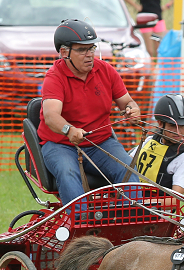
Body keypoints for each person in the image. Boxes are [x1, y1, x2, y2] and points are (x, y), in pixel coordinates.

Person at [39, 19, 141, 206]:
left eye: (92, 48)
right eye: (82, 50)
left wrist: (132, 109)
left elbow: (127, 101)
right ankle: (81, 225)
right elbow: (51, 116)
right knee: (67, 172)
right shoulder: (54, 77)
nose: (89, 55)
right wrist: (69, 130)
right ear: (64, 52)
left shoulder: (106, 70)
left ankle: (131, 220)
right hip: (60, 145)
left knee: (128, 168)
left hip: (101, 142)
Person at [134, 94, 184, 194]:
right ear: (160, 123)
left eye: (182, 126)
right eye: (172, 126)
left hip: (155, 208)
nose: (178, 132)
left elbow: (174, 201)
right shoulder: (150, 140)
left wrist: (138, 202)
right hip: (130, 200)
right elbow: (126, 164)